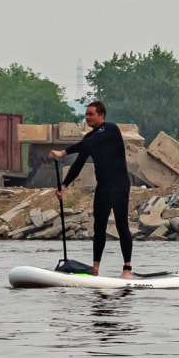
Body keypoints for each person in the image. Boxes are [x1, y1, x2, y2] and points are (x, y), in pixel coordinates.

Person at [49, 101, 133, 279]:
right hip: (103, 187)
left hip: (119, 185)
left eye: (90, 114)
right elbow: (78, 163)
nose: (87, 117)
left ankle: (127, 269)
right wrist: (63, 186)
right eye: (86, 114)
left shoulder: (110, 130)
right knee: (99, 227)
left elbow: (87, 143)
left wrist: (62, 152)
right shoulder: (89, 140)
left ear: (101, 115)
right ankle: (95, 270)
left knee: (121, 224)